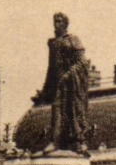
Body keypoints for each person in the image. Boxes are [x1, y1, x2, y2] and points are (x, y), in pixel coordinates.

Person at [35, 11, 90, 152]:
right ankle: (55, 141)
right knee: (56, 110)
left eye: (59, 21)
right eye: (55, 21)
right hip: (58, 84)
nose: (56, 24)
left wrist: (69, 75)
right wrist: (45, 89)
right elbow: (51, 68)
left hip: (72, 84)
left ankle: (80, 141)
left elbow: (82, 62)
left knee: (74, 110)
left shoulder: (73, 39)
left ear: (65, 24)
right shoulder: (53, 44)